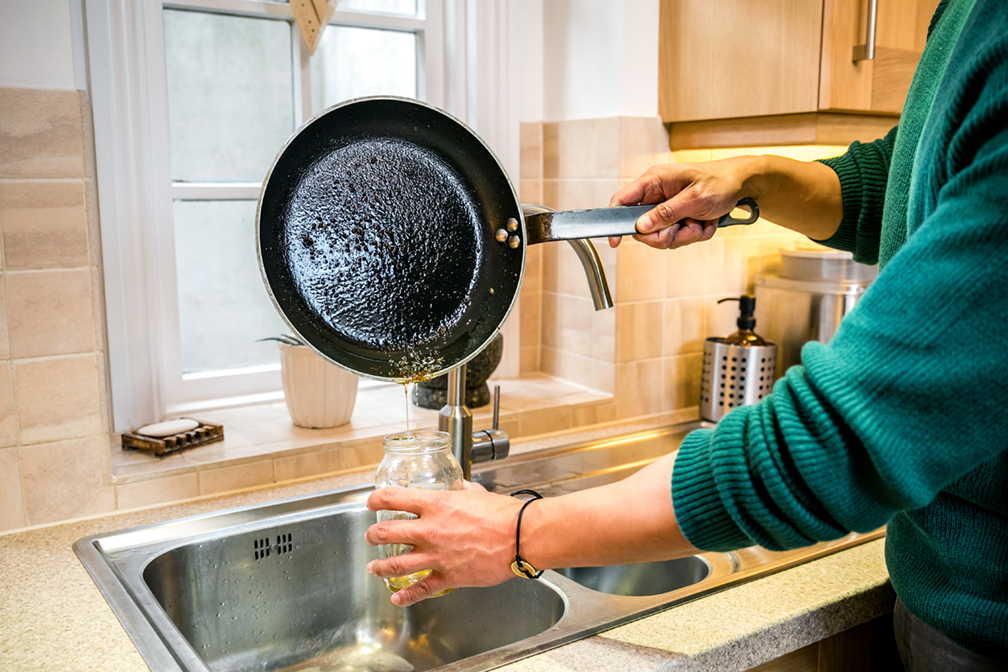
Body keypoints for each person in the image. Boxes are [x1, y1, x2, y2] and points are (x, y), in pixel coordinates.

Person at [365, 0, 1008, 668]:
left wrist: (519, 531)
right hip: (939, 589)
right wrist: (753, 178)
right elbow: (902, 186)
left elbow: (832, 445)